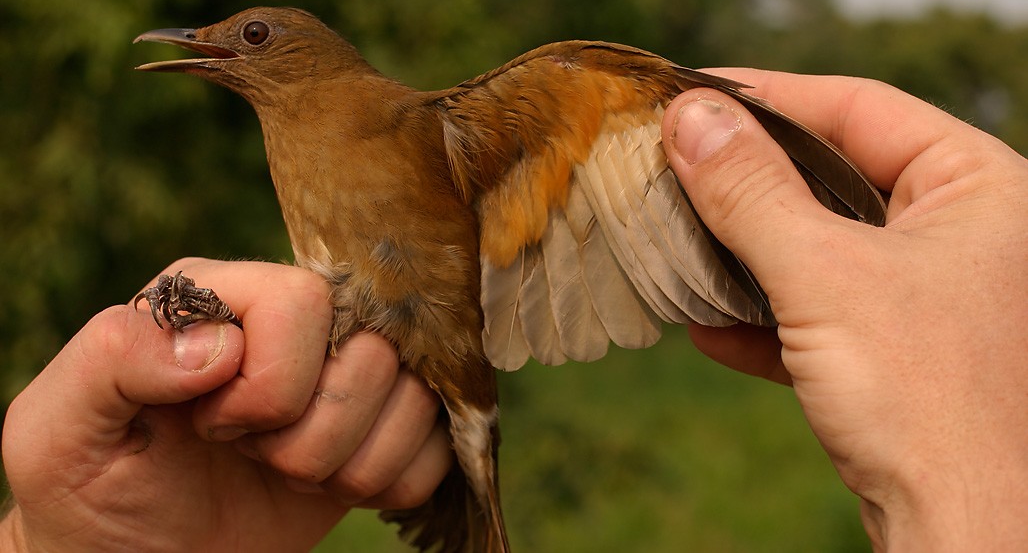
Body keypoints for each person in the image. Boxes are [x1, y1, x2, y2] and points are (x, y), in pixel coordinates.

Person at [2, 71, 1026, 551]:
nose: (216, 48)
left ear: (308, 56)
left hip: (449, 363)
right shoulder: (304, 140)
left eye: (252, 38)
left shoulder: (436, 125)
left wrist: (966, 478)